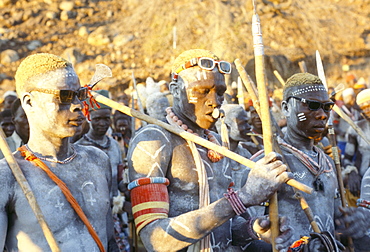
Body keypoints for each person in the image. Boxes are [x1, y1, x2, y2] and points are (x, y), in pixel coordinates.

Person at [127, 49, 292, 251]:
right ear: (175, 90)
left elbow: (223, 230)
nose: (215, 101)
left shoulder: (215, 145)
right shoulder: (153, 140)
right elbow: (156, 238)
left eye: (220, 92)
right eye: (202, 91)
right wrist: (243, 198)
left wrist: (253, 229)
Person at [0, 53, 117, 251]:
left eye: (79, 95)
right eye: (64, 97)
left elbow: (110, 241)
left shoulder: (98, 161)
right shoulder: (9, 175)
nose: (78, 106)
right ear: (29, 103)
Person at [273, 72, 342, 250]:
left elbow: (338, 222)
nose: (322, 115)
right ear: (286, 108)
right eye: (312, 106)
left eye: (327, 107)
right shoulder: (271, 163)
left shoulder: (327, 163)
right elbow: (250, 231)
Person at [75, 89, 130, 251]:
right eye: (97, 119)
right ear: (89, 117)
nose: (102, 123)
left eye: (106, 119)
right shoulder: (79, 148)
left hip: (115, 214)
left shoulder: (114, 145)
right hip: (90, 216)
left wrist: (129, 191)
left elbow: (119, 179)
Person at [342, 89, 370, 199]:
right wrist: (352, 173)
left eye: (369, 106)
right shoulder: (355, 128)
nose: (367, 110)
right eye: (363, 108)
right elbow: (347, 159)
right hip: (363, 183)